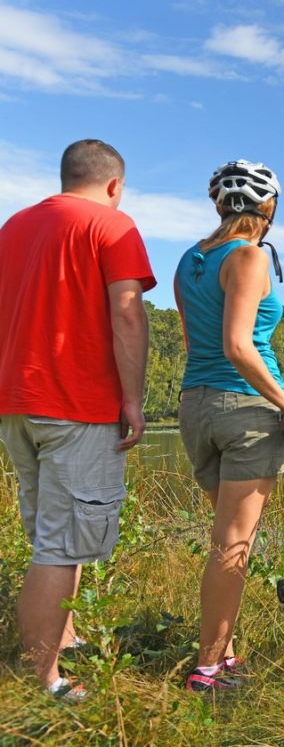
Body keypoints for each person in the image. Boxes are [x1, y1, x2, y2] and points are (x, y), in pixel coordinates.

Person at [0, 139, 156, 701]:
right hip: (76, 405)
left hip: (17, 404)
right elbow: (127, 312)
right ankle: (45, 682)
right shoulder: (111, 226)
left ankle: (62, 640)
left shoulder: (13, 227)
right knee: (60, 547)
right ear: (114, 184)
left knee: (49, 532)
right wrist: (133, 399)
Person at [174, 160, 284, 692]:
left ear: (218, 205)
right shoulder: (249, 257)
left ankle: (225, 653)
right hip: (246, 411)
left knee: (225, 541)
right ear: (270, 207)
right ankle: (208, 670)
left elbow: (198, 344)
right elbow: (238, 345)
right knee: (233, 545)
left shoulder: (191, 260)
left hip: (196, 407)